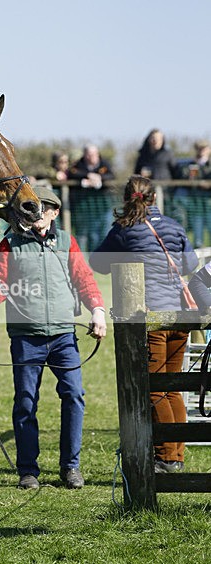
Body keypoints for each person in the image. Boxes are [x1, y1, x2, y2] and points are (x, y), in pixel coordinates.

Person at [0, 186, 107, 490]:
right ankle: (28, 471)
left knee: (74, 396)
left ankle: (71, 467)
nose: (38, 214)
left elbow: (84, 279)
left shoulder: (66, 241)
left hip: (64, 336)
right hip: (26, 337)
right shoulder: (9, 244)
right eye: (33, 208)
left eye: (44, 208)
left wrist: (97, 311)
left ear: (54, 212)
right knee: (26, 402)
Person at [90, 175, 198, 474]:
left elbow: (98, 263)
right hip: (179, 316)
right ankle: (175, 456)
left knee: (153, 389)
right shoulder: (174, 226)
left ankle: (166, 458)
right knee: (173, 388)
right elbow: (190, 265)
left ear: (127, 198)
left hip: (151, 319)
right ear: (154, 198)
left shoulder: (124, 230)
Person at [68, 144, 115, 254]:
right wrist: (87, 176)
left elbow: (111, 176)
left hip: (103, 207)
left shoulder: (104, 164)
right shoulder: (78, 165)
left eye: (93, 154)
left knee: (103, 234)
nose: (91, 157)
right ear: (84, 155)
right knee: (88, 235)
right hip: (84, 208)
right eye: (89, 154)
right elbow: (72, 173)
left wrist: (99, 178)